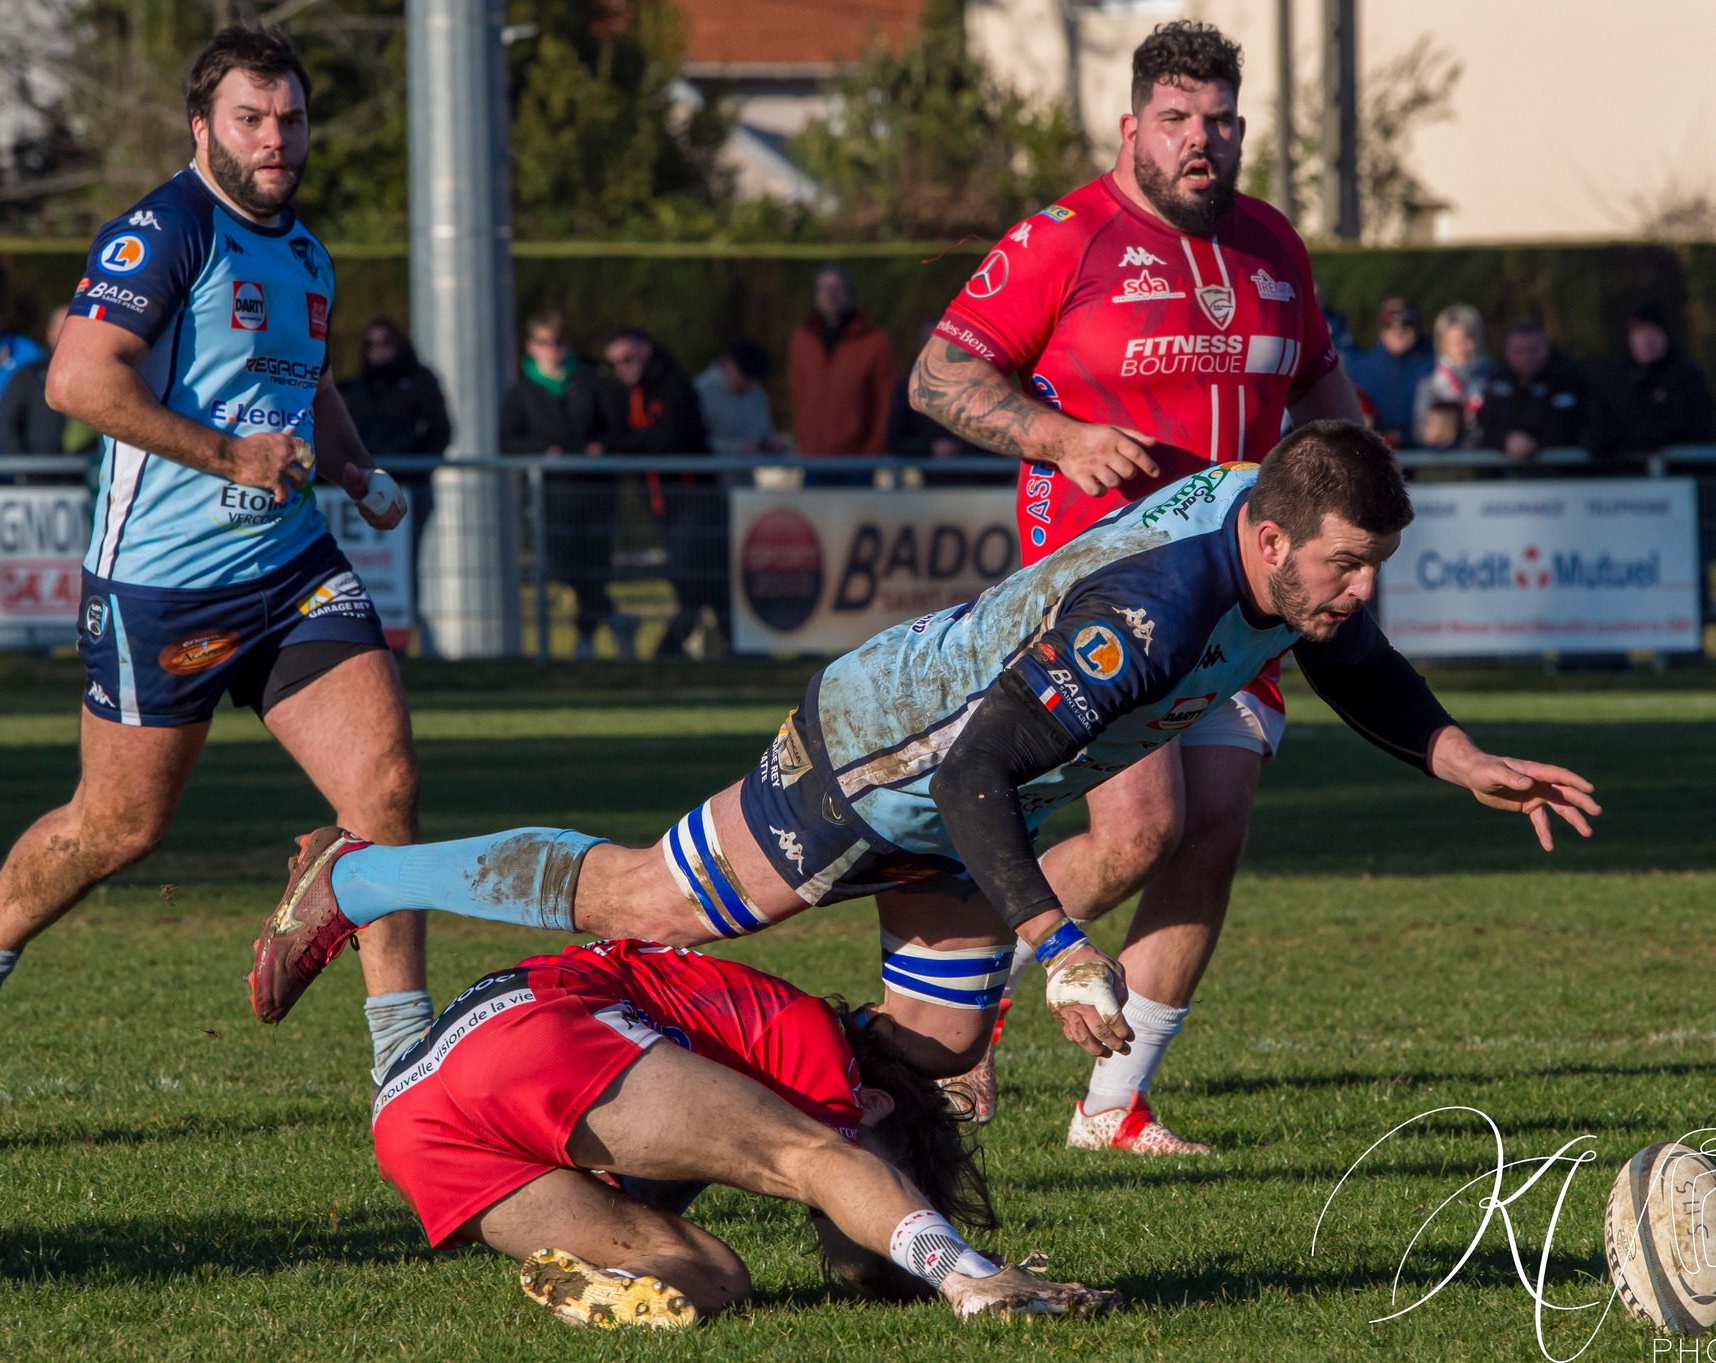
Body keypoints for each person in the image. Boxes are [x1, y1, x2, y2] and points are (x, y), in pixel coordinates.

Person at [250, 428, 1600, 1117]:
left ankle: (793, 1179)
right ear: (1272, 533)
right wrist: (1061, 943)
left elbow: (1354, 655)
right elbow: (974, 774)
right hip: (873, 758)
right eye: (1347, 565)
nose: (1361, 592)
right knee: (637, 899)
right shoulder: (1153, 613)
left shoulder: (1284, 533)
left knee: (938, 1048)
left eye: (1372, 567)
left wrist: (1455, 750)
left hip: (966, 796)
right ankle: (360, 871)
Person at [0, 25, 427, 1126]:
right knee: (116, 827)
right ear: (204, 127)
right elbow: (78, 382)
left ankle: (406, 1062)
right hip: (163, 590)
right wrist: (234, 454)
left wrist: (353, 464)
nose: (275, 138)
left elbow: (305, 379)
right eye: (251, 117)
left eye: (288, 117)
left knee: (383, 791)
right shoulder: (164, 230)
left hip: (290, 569)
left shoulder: (307, 250)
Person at [904, 19, 1365, 1153]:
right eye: (1175, 121)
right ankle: (959, 993)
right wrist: (1055, 436)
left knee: (1210, 830)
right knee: (1136, 829)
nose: (1199, 141)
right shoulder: (1065, 236)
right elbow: (937, 373)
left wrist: (1356, 488)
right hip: (1104, 588)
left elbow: (1319, 387)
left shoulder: (1271, 247)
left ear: (1241, 130)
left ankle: (1113, 1106)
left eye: (1217, 121)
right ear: (1131, 128)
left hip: (1239, 602)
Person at [369, 937, 1118, 1328]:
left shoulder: (725, 1062)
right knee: (815, 1156)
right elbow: (840, 1182)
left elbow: (858, 1261)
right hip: (533, 1029)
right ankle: (977, 1283)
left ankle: (626, 1287)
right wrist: (949, 1259)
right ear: (880, 1103)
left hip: (412, 1115)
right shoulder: (815, 1045)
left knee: (713, 1274)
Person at [501, 312, 627, 660]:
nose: (552, 350)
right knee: (564, 563)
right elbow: (508, 440)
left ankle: (586, 636)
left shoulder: (589, 381)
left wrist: (599, 445)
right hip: (552, 493)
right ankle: (613, 617)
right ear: (531, 347)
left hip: (594, 489)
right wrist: (542, 452)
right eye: (544, 343)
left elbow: (615, 427)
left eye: (558, 343)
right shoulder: (522, 391)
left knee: (595, 563)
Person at [587, 330, 718, 660]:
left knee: (692, 576)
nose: (621, 368)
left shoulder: (674, 386)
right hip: (660, 501)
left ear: (645, 351)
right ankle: (688, 645)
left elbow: (669, 438)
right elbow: (622, 433)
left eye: (627, 359)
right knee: (686, 577)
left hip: (691, 497)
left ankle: (676, 647)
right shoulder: (624, 393)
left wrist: (621, 444)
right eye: (614, 363)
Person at [788, 265, 896, 465]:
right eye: (823, 289)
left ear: (848, 293)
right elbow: (798, 395)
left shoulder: (874, 342)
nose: (830, 295)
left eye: (836, 288)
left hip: (857, 459)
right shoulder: (802, 341)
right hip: (813, 458)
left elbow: (886, 399)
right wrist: (803, 440)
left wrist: (874, 450)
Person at [1592, 301, 1714, 457]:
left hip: (1678, 475)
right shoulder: (1611, 378)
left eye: (1652, 330)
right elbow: (1595, 429)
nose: (1646, 339)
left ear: (1665, 334)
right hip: (1627, 476)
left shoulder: (1686, 376)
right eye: (1639, 331)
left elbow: (1682, 428)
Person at [1477, 316, 1594, 461]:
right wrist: (1505, 441)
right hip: (1506, 476)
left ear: (1546, 347)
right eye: (1519, 350)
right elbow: (1485, 426)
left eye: (1533, 349)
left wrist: (1537, 443)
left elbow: (1577, 427)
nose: (1526, 357)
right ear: (1507, 352)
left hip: (1562, 473)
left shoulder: (1569, 377)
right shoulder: (1497, 380)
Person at [337, 317, 451, 457]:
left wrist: (416, 467)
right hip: (367, 469)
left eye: (385, 343)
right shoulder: (361, 386)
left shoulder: (419, 381)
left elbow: (439, 430)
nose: (378, 351)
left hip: (407, 472)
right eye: (371, 344)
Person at [0, 306, 88, 455]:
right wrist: (22, 467)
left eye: (81, 329)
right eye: (65, 328)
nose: (74, 335)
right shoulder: (27, 376)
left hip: (88, 473)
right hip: (39, 473)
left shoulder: (99, 377)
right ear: (50, 332)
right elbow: (5, 424)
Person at [1343, 298, 1432, 447]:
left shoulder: (1436, 365)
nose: (1398, 329)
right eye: (1388, 323)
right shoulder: (1356, 367)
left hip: (1425, 457)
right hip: (1371, 456)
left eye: (1406, 321)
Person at [1411, 303, 1491, 450]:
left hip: (1483, 464)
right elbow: (1419, 432)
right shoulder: (1430, 385)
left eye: (1467, 339)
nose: (1461, 347)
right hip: (1442, 464)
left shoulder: (1493, 379)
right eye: (1454, 342)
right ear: (1442, 344)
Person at [693, 340, 779, 456]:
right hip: (715, 472)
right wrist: (740, 448)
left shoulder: (756, 392)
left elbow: (764, 432)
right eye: (747, 377)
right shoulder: (701, 391)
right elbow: (695, 442)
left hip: (747, 472)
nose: (751, 385)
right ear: (730, 365)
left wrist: (771, 445)